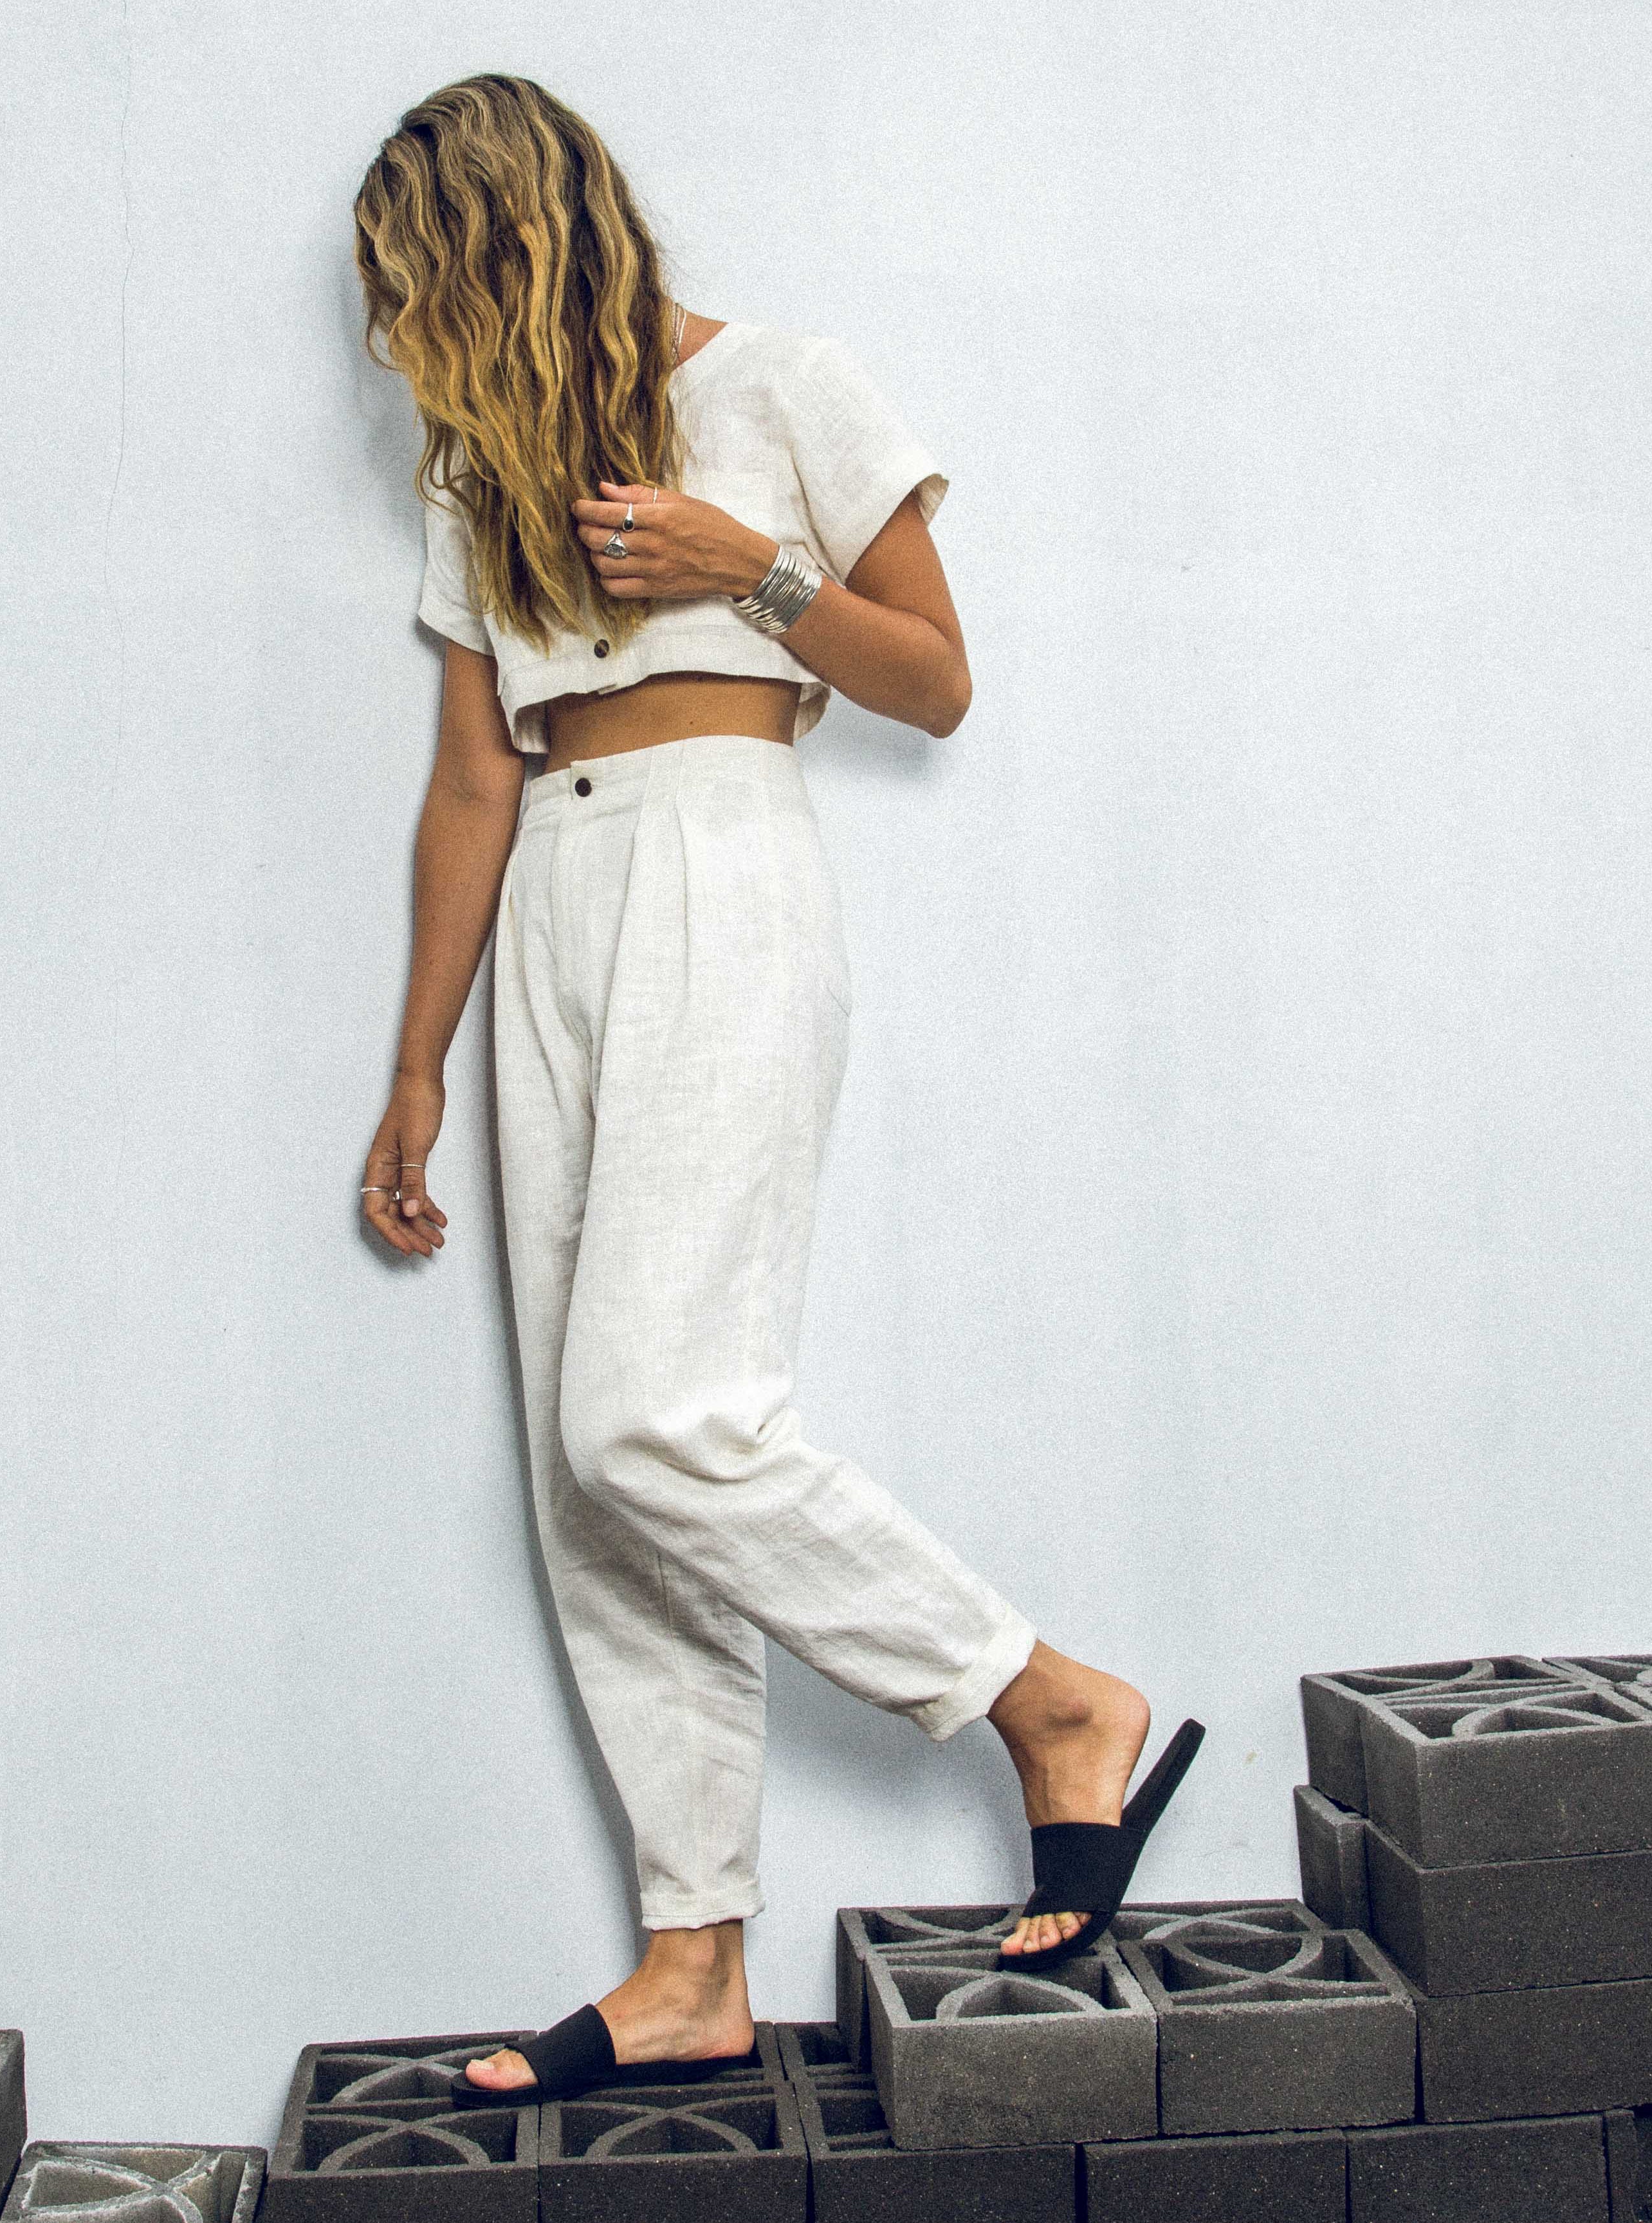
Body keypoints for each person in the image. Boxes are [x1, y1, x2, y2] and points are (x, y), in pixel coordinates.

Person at [352, 73, 1202, 2107]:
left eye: (432, 278)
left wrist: (753, 570)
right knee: (589, 1477)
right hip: (553, 902)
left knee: (659, 1412)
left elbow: (935, 683)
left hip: (722, 860)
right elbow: (471, 778)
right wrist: (414, 1067)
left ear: (527, 235)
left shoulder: (785, 384)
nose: (411, 330)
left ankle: (1044, 1698)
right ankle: (692, 1961)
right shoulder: (484, 475)